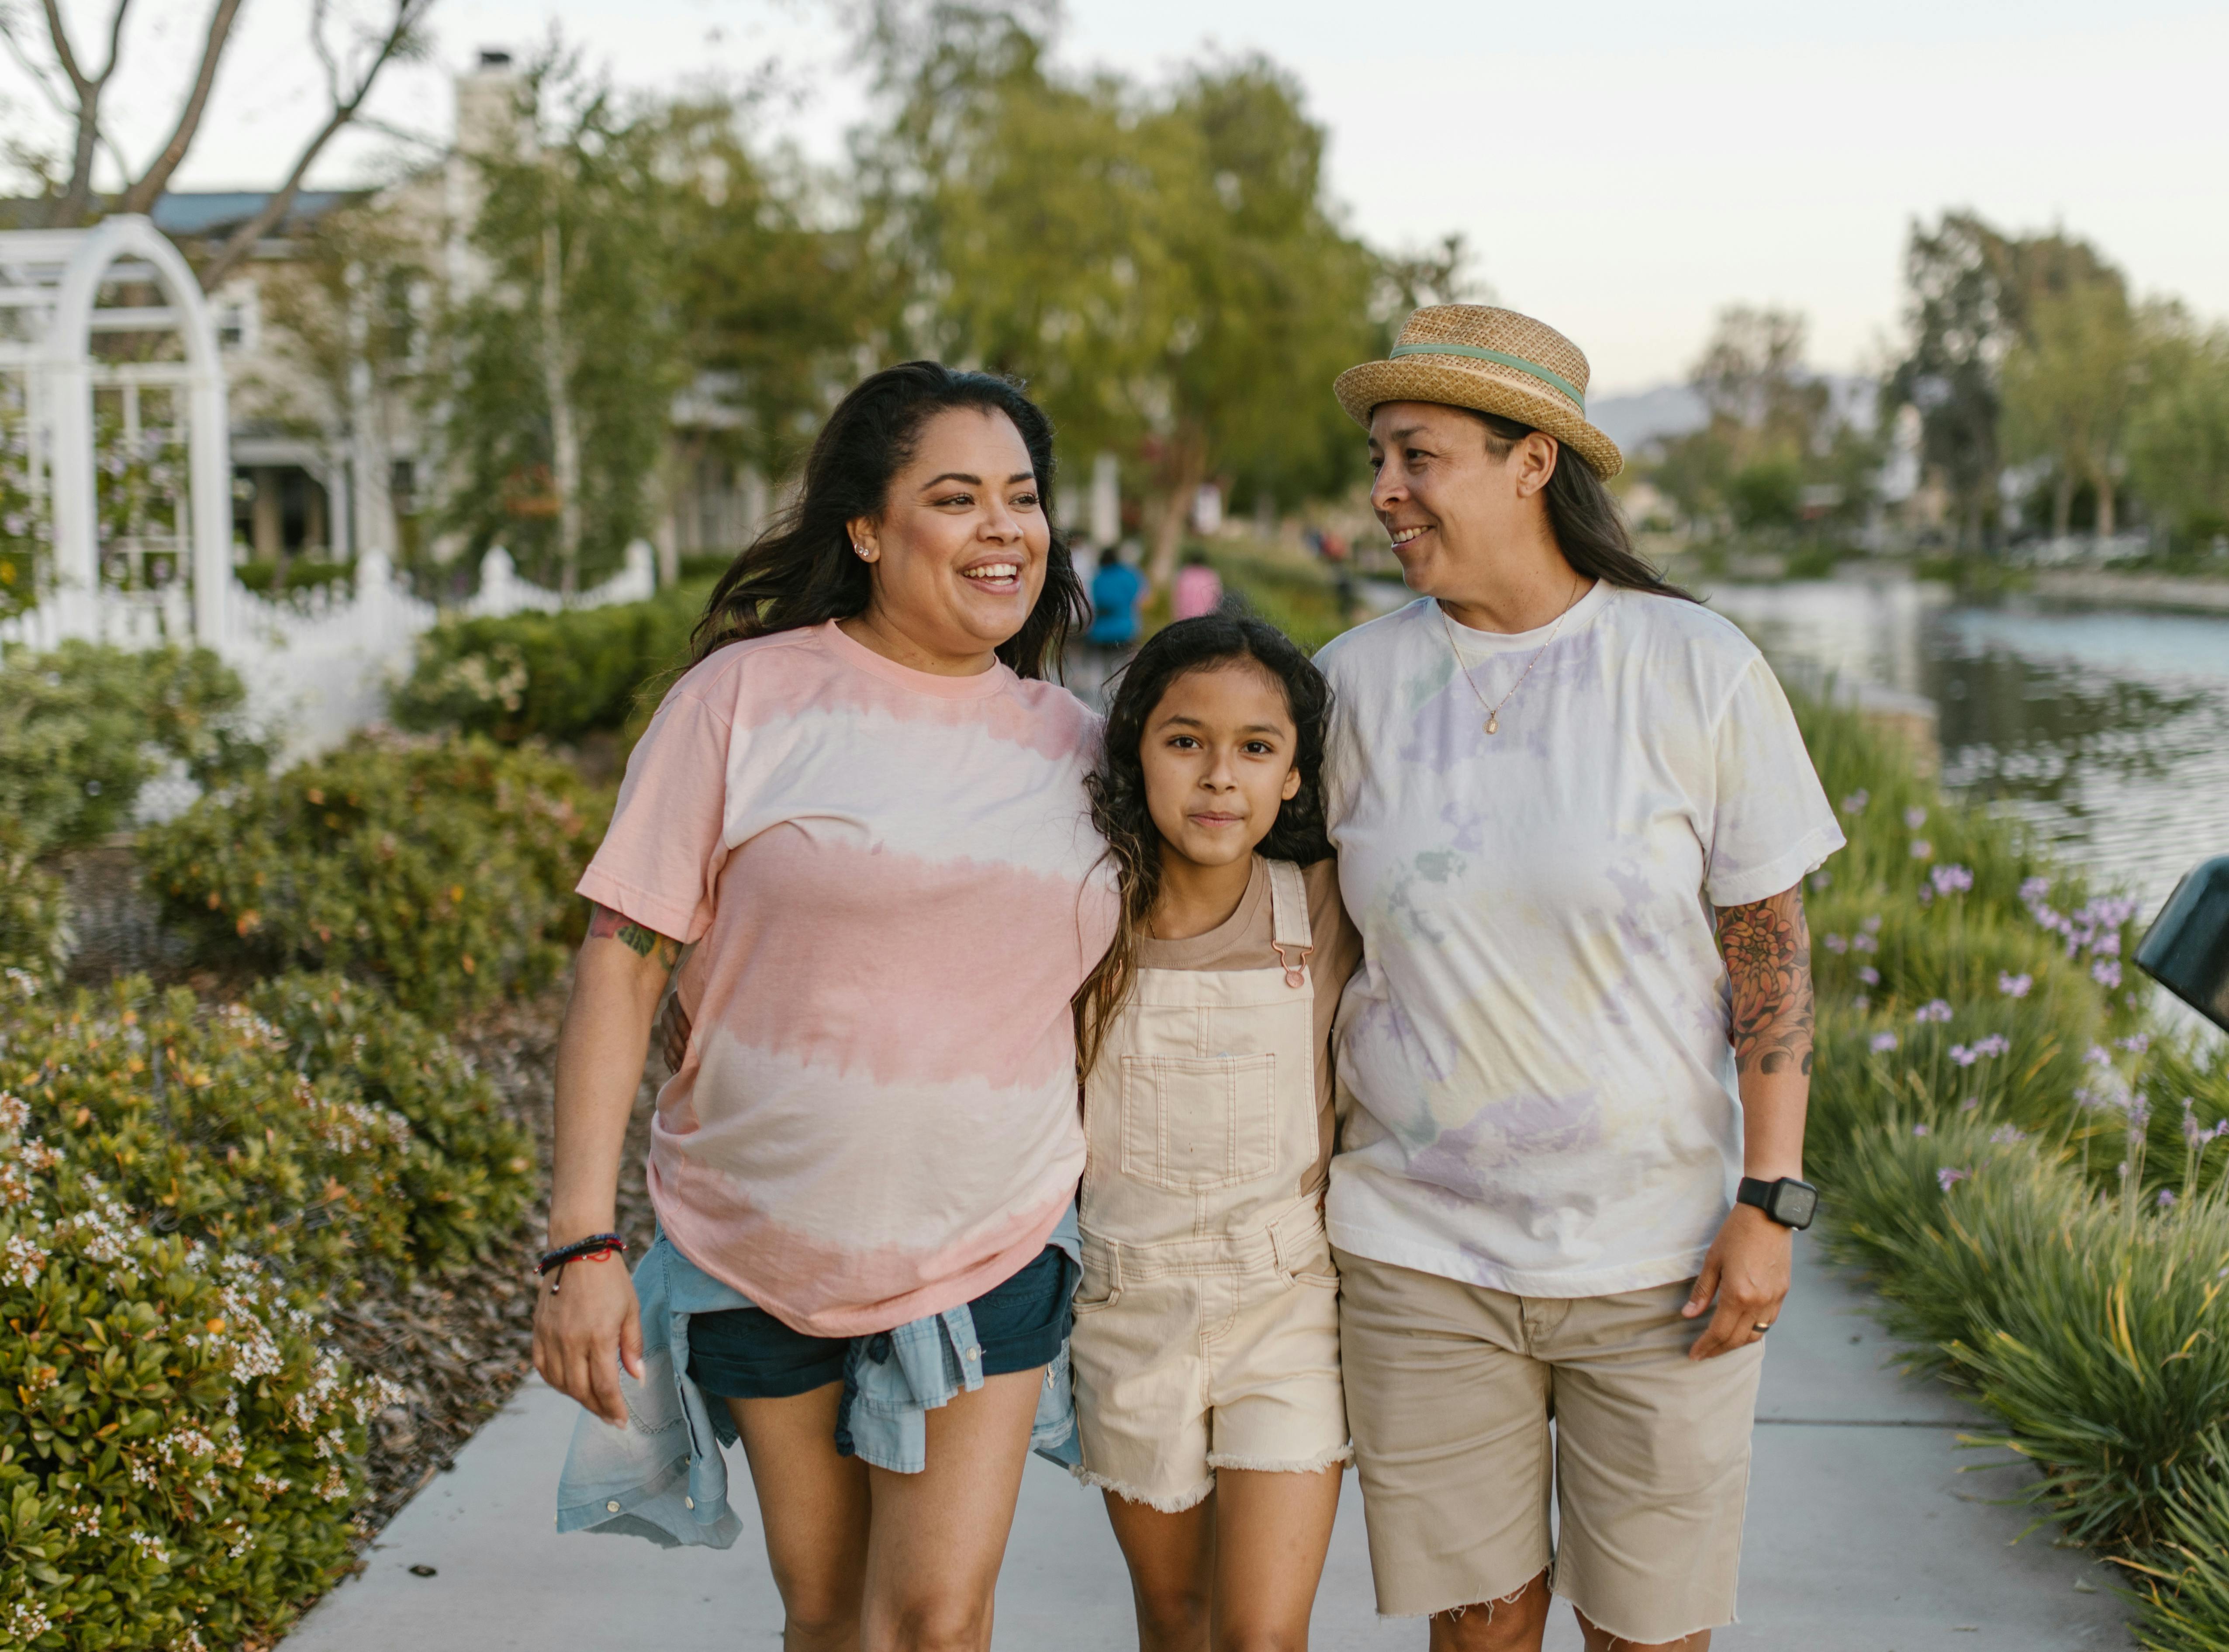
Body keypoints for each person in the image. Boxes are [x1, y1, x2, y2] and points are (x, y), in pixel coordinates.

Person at [534, 361, 1111, 1652]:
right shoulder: (741, 704)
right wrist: (580, 1243)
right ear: (865, 526)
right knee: (833, 1619)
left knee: (933, 1623)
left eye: (1022, 498)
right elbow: (621, 961)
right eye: (956, 498)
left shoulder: (1078, 748)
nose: (1003, 528)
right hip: (759, 1239)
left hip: (990, 1236)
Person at [1316, 305, 1844, 1652]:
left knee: (1648, 1634)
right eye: (1379, 456)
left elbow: (1769, 953)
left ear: (1531, 461)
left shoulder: (1694, 668)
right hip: (1419, 1251)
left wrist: (1768, 1203)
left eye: (1416, 455)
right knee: (1479, 1625)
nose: (1384, 490)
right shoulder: (1349, 690)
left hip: (1656, 1255)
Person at [1070, 613, 1363, 1652]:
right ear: (1135, 749)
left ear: (1293, 776)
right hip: (1126, 1303)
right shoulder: (1081, 919)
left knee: (1261, 1637)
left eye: (1256, 748)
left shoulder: (1322, 906)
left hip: (1284, 1303)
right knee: (1176, 1617)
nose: (1218, 778)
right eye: (1184, 741)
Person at [1171, 550, 1224, 620]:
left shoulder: (1184, 574)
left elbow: (1176, 596)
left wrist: (1175, 613)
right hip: (1205, 616)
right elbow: (1217, 596)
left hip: (1184, 617)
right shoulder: (1210, 575)